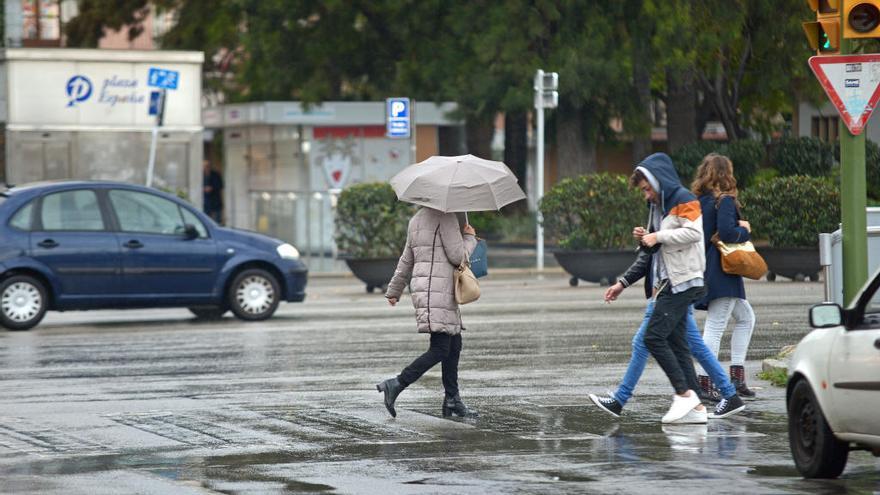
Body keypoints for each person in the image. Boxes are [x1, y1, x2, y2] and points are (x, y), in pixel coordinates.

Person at [589, 245, 746, 421]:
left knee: (644, 343)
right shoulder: (667, 222)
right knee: (694, 346)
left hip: (670, 292)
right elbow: (651, 256)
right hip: (673, 290)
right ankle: (716, 399)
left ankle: (620, 399)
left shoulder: (673, 220)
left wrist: (625, 281)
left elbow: (653, 255)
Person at [376, 207, 478, 418]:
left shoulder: (416, 219)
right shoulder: (447, 217)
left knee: (454, 344)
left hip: (430, 290)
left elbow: (406, 259)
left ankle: (452, 399)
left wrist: (394, 290)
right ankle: (396, 384)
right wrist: (469, 238)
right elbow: (458, 256)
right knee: (441, 348)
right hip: (438, 291)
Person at [691, 153, 757, 399]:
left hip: (706, 268)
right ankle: (705, 384)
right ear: (725, 173)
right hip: (724, 272)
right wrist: (745, 230)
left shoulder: (699, 202)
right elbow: (728, 233)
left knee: (746, 317)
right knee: (715, 328)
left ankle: (735, 378)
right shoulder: (725, 201)